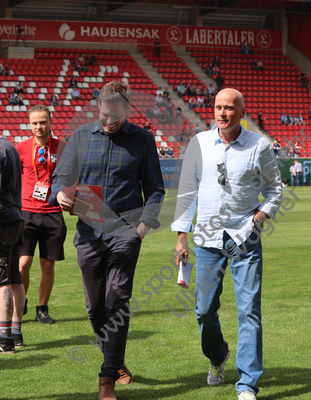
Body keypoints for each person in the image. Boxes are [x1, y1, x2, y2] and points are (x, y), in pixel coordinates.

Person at [49, 81, 165, 400]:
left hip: (126, 233)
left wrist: (142, 228)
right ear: (98, 106)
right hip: (88, 233)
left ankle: (106, 380)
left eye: (115, 116)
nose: (109, 121)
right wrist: (60, 193)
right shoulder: (80, 136)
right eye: (104, 114)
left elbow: (155, 190)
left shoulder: (143, 140)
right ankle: (115, 359)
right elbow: (60, 176)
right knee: (94, 307)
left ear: (127, 108)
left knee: (117, 300)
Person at [171, 88, 282, 400]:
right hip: (206, 239)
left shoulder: (259, 145)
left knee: (249, 311)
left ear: (241, 113)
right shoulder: (199, 143)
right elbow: (187, 191)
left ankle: (247, 384)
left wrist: (259, 217)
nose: (222, 113)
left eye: (230, 108)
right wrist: (181, 236)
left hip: (246, 237)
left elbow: (275, 189)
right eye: (219, 107)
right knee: (204, 310)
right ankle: (218, 356)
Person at [16, 105, 67, 325]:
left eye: (43, 122)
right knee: (22, 263)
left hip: (53, 212)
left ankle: (42, 308)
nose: (39, 126)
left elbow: (71, 176)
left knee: (48, 264)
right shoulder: (20, 148)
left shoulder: (62, 147)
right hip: (26, 212)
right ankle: (21, 300)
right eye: (35, 122)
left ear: (50, 122)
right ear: (30, 124)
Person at [0, 137, 25, 353]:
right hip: (16, 216)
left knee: (2, 281)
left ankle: (4, 339)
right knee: (14, 277)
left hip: (3, 219)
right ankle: (16, 334)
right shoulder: (10, 146)